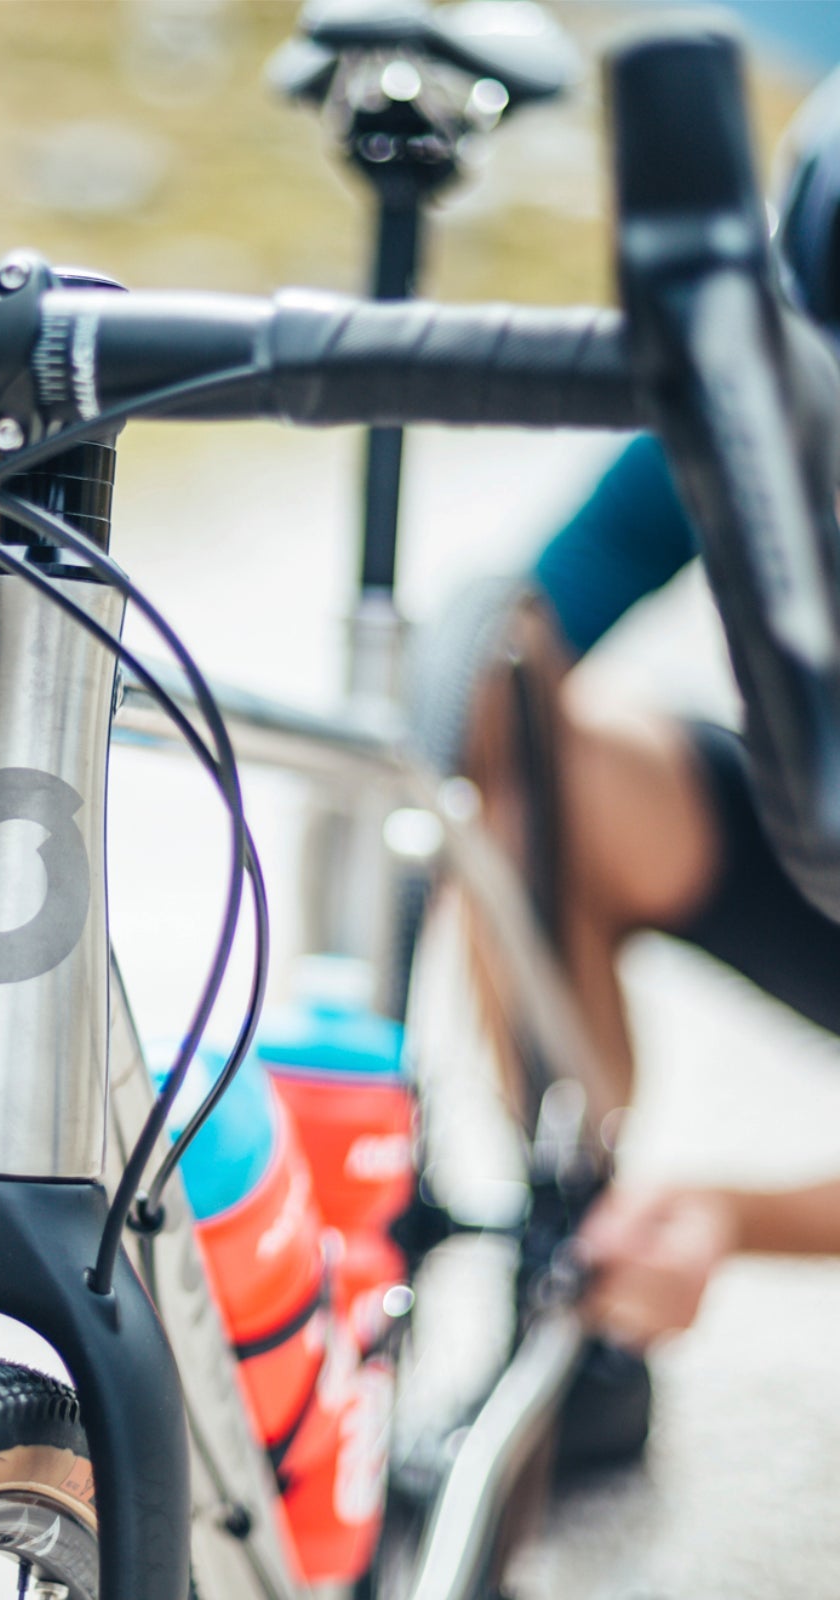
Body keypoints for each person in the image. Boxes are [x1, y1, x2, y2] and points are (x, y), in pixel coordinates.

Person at [454, 65, 840, 1362]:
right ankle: (577, 1245)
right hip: (818, 858)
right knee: (536, 757)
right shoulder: (760, 421)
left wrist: (731, 1216)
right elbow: (499, 657)